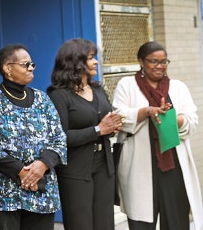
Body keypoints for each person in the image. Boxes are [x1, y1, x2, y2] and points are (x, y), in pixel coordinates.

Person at [0, 44, 66, 230]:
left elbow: (58, 138)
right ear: (7, 68)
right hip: (2, 193)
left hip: (40, 189)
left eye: (32, 64)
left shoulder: (42, 99)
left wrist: (41, 165)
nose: (31, 68)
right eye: (25, 64)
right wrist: (22, 172)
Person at [112, 41, 203, 230]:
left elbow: (192, 119)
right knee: (141, 221)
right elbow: (118, 117)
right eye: (153, 61)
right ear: (141, 62)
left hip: (173, 164)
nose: (159, 66)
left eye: (164, 61)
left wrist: (170, 118)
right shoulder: (127, 85)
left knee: (177, 219)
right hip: (140, 163)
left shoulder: (177, 87)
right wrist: (147, 111)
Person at [47, 38, 123, 230]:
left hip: (104, 167)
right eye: (90, 58)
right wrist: (99, 130)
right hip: (75, 172)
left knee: (105, 224)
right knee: (80, 224)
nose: (96, 61)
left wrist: (115, 124)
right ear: (74, 62)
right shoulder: (58, 95)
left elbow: (107, 118)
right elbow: (60, 138)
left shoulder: (97, 89)